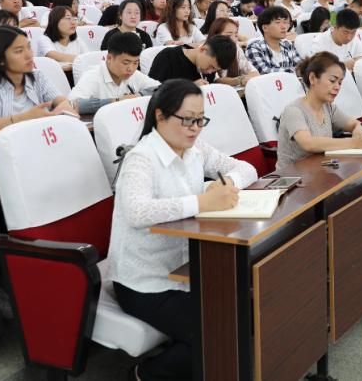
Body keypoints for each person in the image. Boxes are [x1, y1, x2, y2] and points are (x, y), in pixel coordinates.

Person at [108, 79, 257, 380]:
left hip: (187, 270)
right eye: (187, 119)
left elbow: (246, 168)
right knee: (218, 332)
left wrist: (226, 185)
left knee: (250, 314)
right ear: (160, 116)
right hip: (145, 282)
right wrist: (202, 202)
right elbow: (137, 211)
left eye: (200, 120)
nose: (195, 128)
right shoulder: (141, 158)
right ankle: (145, 374)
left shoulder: (195, 148)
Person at [0, 26, 75, 133]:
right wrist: (25, 118)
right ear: (0, 58)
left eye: (29, 47)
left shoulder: (38, 76)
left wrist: (61, 109)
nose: (29, 55)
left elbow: (62, 101)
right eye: (19, 51)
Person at [69, 32, 160, 114]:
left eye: (136, 63)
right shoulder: (93, 76)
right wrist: (117, 101)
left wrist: (139, 95)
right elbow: (73, 104)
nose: (131, 69)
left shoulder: (134, 74)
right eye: (125, 63)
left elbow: (161, 89)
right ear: (109, 58)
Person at [148, 34, 237, 85]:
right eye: (211, 66)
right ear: (203, 49)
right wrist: (190, 87)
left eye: (215, 69)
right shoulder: (168, 57)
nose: (210, 72)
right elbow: (151, 92)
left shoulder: (208, 68)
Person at [246, 6, 302, 75]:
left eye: (286, 22)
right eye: (278, 22)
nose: (284, 27)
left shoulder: (287, 44)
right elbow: (264, 71)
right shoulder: (255, 46)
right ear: (265, 28)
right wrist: (296, 71)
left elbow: (300, 66)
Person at [204, 18, 258, 88]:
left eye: (236, 35)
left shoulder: (236, 48)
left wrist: (245, 78)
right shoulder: (207, 51)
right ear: (215, 35)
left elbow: (254, 72)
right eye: (228, 36)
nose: (234, 40)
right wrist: (239, 80)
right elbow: (215, 80)